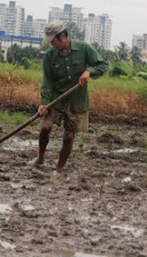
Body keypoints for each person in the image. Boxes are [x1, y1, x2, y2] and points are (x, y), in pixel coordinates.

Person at [29, 20, 108, 172]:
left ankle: (59, 169)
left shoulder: (84, 49)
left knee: (69, 136)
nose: (52, 45)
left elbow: (103, 65)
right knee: (46, 127)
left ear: (63, 36)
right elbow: (47, 81)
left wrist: (89, 72)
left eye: (53, 41)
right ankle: (40, 157)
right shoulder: (50, 56)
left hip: (77, 100)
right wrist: (44, 103)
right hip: (57, 98)